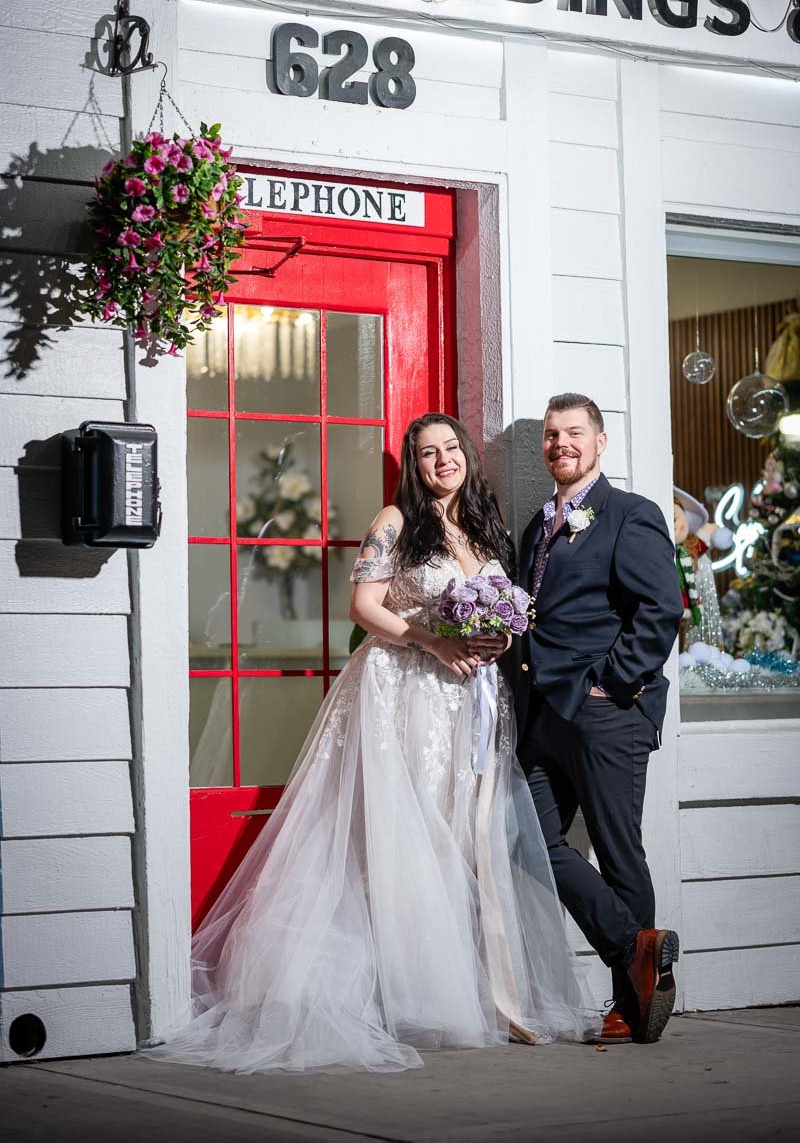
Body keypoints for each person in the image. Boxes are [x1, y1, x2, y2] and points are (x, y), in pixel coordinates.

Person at [150, 413, 595, 1076]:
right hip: (406, 690)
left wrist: (493, 638)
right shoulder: (394, 522)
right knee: (400, 835)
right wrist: (432, 640)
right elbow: (364, 606)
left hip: (469, 700)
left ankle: (480, 994)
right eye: (426, 453)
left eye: (450, 449)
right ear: (412, 465)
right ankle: (397, 995)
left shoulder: (483, 523)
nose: (441, 461)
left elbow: (497, 608)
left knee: (464, 837)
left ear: (467, 456)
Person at [515, 393, 684, 1047]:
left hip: (606, 714)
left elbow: (660, 610)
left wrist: (611, 686)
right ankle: (636, 946)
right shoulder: (538, 524)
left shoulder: (629, 515)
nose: (561, 444)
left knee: (618, 853)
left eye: (573, 433)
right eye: (552, 435)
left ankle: (632, 1008)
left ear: (600, 441)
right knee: (524, 837)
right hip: (542, 716)